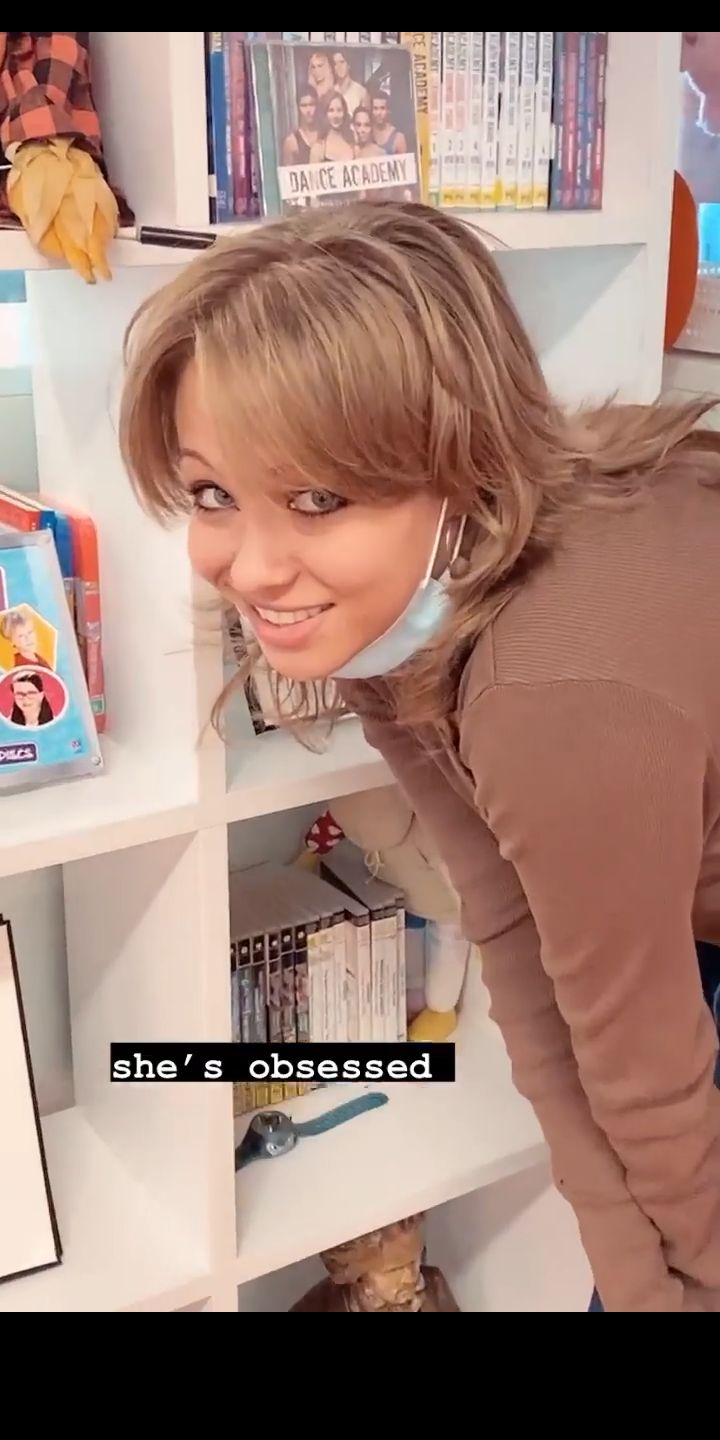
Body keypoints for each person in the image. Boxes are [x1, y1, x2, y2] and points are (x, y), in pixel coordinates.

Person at [117, 200, 720, 1314]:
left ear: (459, 461)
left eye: (318, 498)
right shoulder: (396, 605)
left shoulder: (552, 692)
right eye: (213, 494)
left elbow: (647, 1082)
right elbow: (509, 928)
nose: (253, 567)